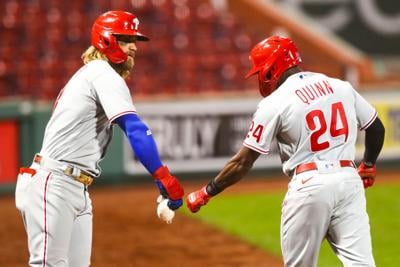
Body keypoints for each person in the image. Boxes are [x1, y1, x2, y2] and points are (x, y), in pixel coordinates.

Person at [186, 35, 385, 267]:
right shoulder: (340, 86)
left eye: (260, 71)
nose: (259, 76)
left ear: (272, 68)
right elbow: (376, 128)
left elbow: (243, 162)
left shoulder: (275, 102)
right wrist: (368, 164)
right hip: (349, 181)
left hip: (310, 185)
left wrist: (207, 191)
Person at [15, 11, 184, 267]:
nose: (133, 47)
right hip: (54, 182)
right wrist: (162, 174)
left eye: (135, 41)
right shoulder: (102, 73)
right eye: (126, 39)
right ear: (107, 40)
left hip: (75, 185)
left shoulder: (95, 74)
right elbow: (135, 129)